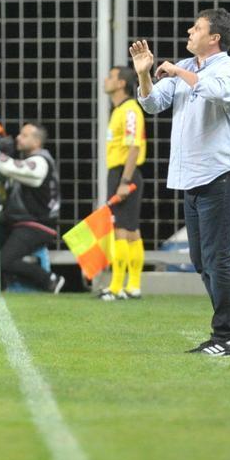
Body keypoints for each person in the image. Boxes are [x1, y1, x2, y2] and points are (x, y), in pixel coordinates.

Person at [131, 7, 230, 356]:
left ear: (214, 37)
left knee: (217, 259)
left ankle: (228, 334)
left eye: (196, 28)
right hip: (192, 178)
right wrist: (144, 75)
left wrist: (178, 70)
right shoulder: (188, 67)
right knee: (201, 260)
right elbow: (153, 104)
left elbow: (214, 91)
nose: (189, 31)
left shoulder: (228, 68)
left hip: (220, 175)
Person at [0, 123, 65, 293]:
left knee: (3, 261)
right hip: (20, 222)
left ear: (36, 141)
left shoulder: (41, 162)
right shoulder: (29, 161)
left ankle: (49, 279)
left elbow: (9, 167)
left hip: (38, 224)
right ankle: (3, 283)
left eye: (24, 135)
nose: (18, 138)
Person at [101, 65, 147, 301]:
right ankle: (133, 285)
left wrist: (124, 180)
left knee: (121, 228)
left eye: (110, 76)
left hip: (125, 174)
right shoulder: (120, 110)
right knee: (131, 229)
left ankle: (117, 286)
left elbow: (134, 146)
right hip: (122, 173)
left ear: (120, 83)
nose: (105, 80)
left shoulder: (130, 110)